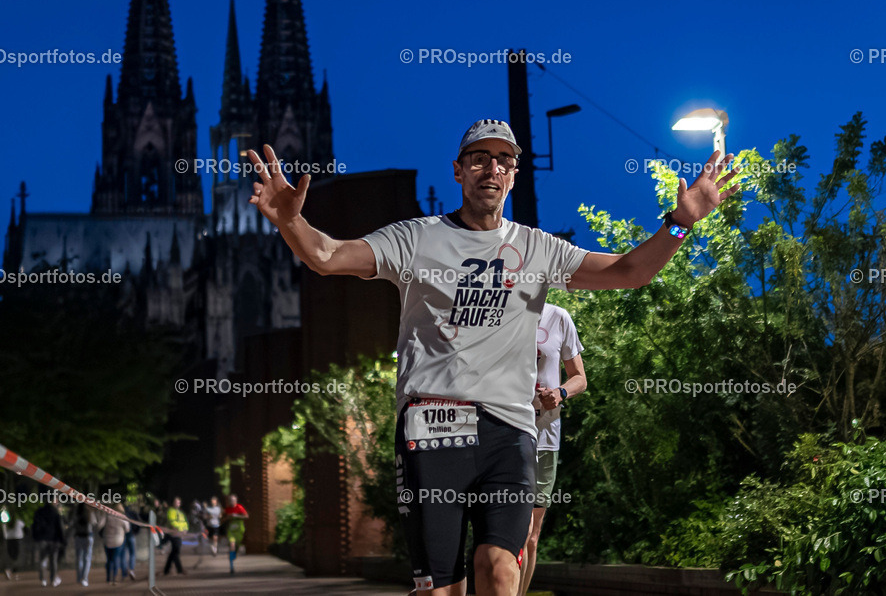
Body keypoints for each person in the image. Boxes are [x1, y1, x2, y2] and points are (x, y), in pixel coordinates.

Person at [246, 118, 739, 596]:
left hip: (510, 431)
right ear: (458, 171)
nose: (492, 168)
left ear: (513, 176)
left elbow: (630, 272)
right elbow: (327, 256)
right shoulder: (416, 238)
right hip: (433, 424)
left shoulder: (538, 248)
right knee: (442, 590)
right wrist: (291, 220)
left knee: (500, 569)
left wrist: (680, 223)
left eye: (504, 160)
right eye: (479, 158)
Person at [518, 303, 586, 596]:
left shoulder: (558, 317)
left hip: (546, 437)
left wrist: (560, 392)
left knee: (532, 537)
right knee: (518, 533)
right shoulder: (503, 311)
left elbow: (580, 378)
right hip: (510, 433)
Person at [31, 500, 65, 588]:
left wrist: (35, 537)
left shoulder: (39, 512)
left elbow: (34, 526)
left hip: (42, 539)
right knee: (53, 561)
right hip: (53, 540)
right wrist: (62, 540)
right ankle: (53, 579)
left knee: (43, 560)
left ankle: (43, 579)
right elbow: (59, 527)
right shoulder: (55, 512)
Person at [99, 503, 130, 586]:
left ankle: (108, 578)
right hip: (118, 541)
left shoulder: (107, 516)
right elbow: (127, 529)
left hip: (107, 540)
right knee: (116, 559)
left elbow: (100, 525)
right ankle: (114, 578)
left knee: (109, 560)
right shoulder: (123, 517)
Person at [71, 502, 101, 587]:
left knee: (79, 558)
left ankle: (79, 577)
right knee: (86, 559)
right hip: (88, 537)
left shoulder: (76, 513)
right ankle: (84, 578)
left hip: (78, 537)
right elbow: (95, 523)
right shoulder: (89, 512)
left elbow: (72, 524)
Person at [221, 494, 249, 573]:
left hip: (239, 530)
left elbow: (246, 516)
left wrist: (236, 515)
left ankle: (234, 554)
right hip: (231, 531)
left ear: (236, 501)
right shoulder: (227, 509)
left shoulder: (239, 507)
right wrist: (227, 518)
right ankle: (231, 566)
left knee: (236, 546)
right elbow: (222, 520)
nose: (232, 502)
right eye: (230, 500)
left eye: (233, 500)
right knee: (232, 545)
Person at [164, 496, 188, 576]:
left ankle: (166, 570)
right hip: (173, 534)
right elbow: (172, 522)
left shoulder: (180, 513)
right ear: (173, 503)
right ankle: (179, 569)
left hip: (179, 534)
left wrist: (185, 529)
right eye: (176, 502)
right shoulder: (171, 511)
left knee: (174, 552)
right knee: (176, 550)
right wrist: (179, 529)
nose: (177, 504)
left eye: (178, 502)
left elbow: (184, 522)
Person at [2, 507, 25, 580]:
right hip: (17, 539)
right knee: (17, 556)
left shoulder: (6, 522)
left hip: (9, 538)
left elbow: (4, 528)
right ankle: (11, 570)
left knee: (10, 555)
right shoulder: (18, 522)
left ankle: (10, 570)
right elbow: (23, 526)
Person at [120, 501, 140, 581]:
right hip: (131, 535)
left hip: (123, 536)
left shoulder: (119, 514)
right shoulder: (133, 513)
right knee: (132, 553)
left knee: (123, 554)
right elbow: (138, 523)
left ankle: (124, 573)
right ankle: (131, 569)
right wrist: (135, 532)